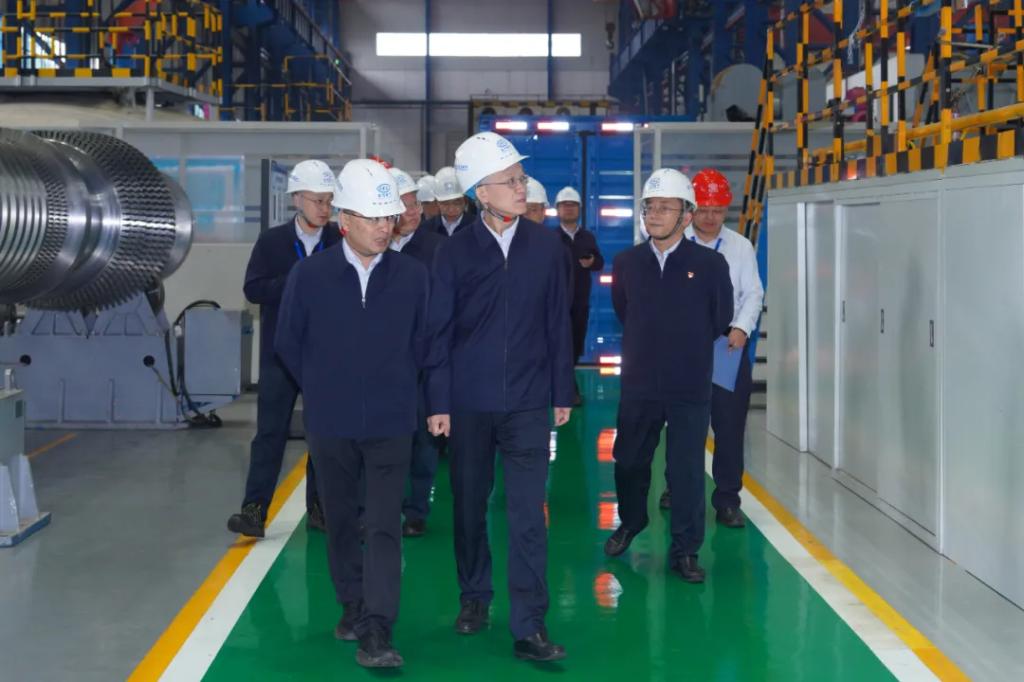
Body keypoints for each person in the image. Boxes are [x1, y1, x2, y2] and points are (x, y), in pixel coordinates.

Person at [426, 132, 574, 662]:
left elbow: (558, 322)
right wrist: (438, 401)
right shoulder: (453, 252)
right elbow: (438, 331)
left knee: (529, 512)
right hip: (469, 403)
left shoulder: (546, 247)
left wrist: (562, 389)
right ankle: (474, 595)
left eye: (521, 178)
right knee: (469, 505)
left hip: (530, 401)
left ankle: (530, 623)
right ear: (481, 193)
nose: (521, 187)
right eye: (510, 181)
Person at [275, 159, 429, 669]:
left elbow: (425, 342)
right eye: (374, 217)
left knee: (384, 523)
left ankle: (378, 627)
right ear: (345, 219)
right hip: (331, 421)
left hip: (391, 421)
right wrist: (324, 387)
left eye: (389, 217)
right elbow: (288, 342)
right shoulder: (310, 276)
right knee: (340, 519)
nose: (385, 227)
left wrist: (400, 387)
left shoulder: (412, 277)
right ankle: (352, 605)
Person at [603, 168, 733, 584]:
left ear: (686, 215)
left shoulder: (709, 264)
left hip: (688, 383)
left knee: (686, 471)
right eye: (649, 207)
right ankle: (631, 521)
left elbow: (721, 317)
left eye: (665, 207)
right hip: (639, 383)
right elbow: (624, 310)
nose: (655, 214)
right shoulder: (627, 263)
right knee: (629, 460)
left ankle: (685, 550)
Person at [228, 159, 339, 538]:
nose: (324, 209)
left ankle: (320, 507)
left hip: (325, 356)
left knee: (323, 434)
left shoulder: (339, 241)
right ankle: (254, 510)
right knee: (270, 434)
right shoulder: (272, 242)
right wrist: (297, 279)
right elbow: (253, 288)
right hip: (280, 356)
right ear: (296, 199)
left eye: (329, 201)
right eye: (317, 201)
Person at [659, 169, 763, 528]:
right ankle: (676, 487)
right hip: (682, 348)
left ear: (726, 211)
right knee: (682, 423)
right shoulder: (674, 243)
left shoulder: (740, 246)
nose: (710, 217)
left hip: (726, 346)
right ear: (691, 209)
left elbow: (753, 293)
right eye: (703, 209)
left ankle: (728, 499)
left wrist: (741, 328)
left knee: (729, 426)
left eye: (717, 210)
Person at [388, 167, 444, 537]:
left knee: (424, 440)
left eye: (416, 204)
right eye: (405, 205)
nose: (414, 212)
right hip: (381, 364)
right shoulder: (371, 249)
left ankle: (416, 510)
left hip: (423, 361)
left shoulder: (438, 249)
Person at [554, 186, 604, 404]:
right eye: (565, 205)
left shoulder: (587, 237)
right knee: (557, 345)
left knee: (574, 345)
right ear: (557, 210)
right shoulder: (550, 237)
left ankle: (568, 385)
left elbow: (599, 262)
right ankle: (564, 388)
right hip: (556, 303)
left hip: (580, 303)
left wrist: (592, 262)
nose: (569, 209)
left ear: (580, 210)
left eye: (573, 205)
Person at [424, 166, 473, 237]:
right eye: (445, 203)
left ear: (465, 201)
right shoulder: (425, 229)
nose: (451, 209)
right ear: (437, 202)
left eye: (457, 203)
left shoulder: (476, 227)